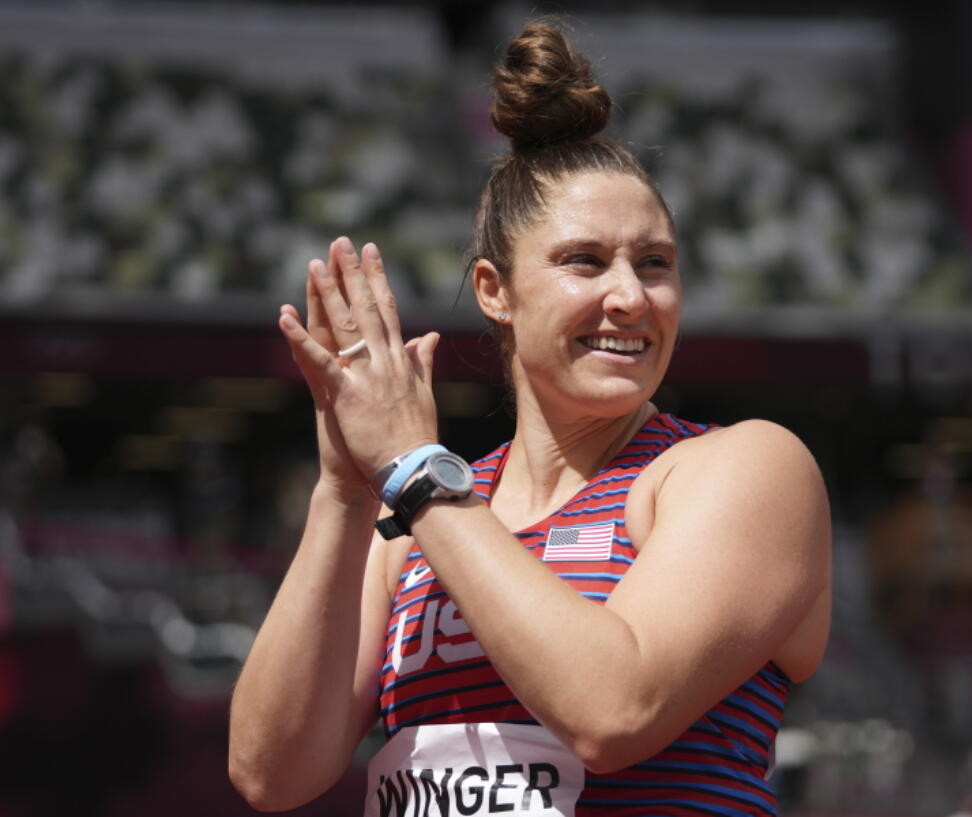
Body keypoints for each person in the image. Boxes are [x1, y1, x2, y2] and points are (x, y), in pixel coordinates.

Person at [228, 19, 831, 817]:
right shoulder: (410, 519)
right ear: (494, 290)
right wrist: (345, 489)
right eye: (585, 260)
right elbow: (271, 771)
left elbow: (615, 709)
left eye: (655, 263)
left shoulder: (744, 468)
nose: (630, 295)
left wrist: (412, 466)